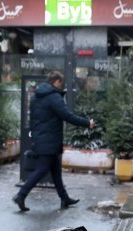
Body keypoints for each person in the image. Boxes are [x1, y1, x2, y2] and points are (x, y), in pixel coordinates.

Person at [13, 71, 95, 211]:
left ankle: (64, 198)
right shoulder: (53, 97)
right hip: (49, 141)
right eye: (60, 83)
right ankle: (21, 195)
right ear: (56, 81)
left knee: (56, 171)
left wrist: (35, 137)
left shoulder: (35, 97)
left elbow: (32, 119)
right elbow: (67, 115)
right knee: (41, 169)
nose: (61, 86)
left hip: (42, 139)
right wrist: (87, 123)